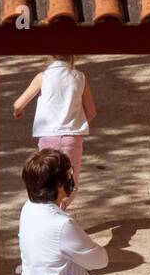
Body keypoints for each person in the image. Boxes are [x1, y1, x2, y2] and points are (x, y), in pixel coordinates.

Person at [13, 55, 96, 198]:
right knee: (69, 183)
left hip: (48, 136)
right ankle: (61, 211)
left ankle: (49, 213)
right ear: (73, 56)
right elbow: (91, 112)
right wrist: (76, 121)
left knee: (47, 180)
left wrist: (18, 112)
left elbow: (18, 104)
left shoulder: (43, 77)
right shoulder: (80, 77)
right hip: (72, 137)